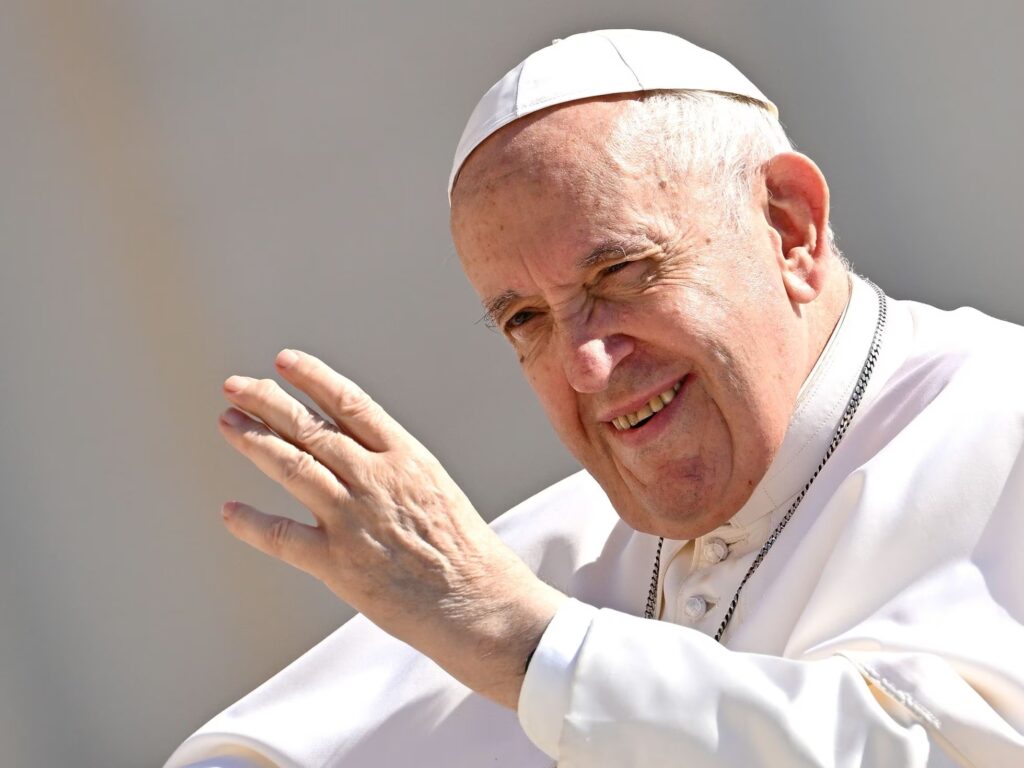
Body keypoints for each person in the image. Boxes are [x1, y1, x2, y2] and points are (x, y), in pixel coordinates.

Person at [166, 30, 1024, 767]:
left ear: (789, 227)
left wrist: (528, 647)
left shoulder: (1002, 418)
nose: (585, 363)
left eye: (619, 274)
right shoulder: (546, 547)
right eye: (527, 320)